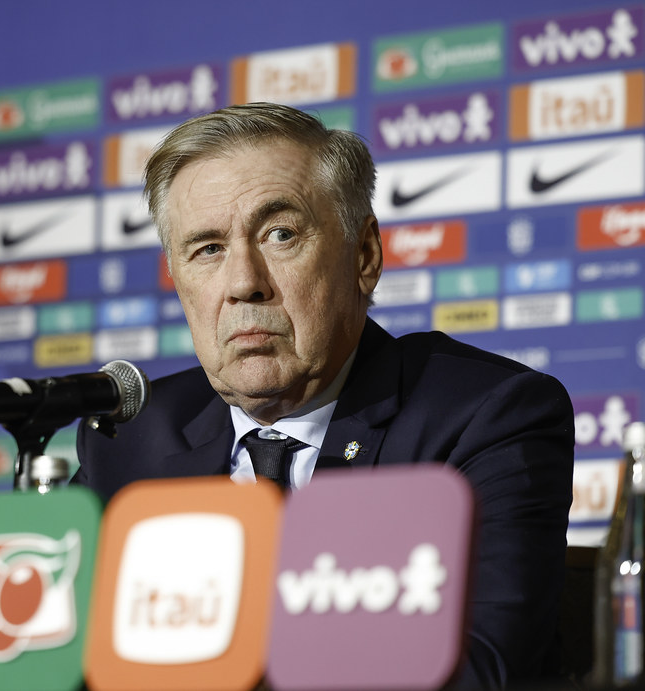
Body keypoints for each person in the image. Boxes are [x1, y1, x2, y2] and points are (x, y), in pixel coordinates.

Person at [72, 103, 574, 689]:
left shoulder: (484, 417)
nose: (243, 283)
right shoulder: (129, 440)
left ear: (364, 257)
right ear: (177, 277)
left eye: (280, 235)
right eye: (207, 248)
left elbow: (481, 671)